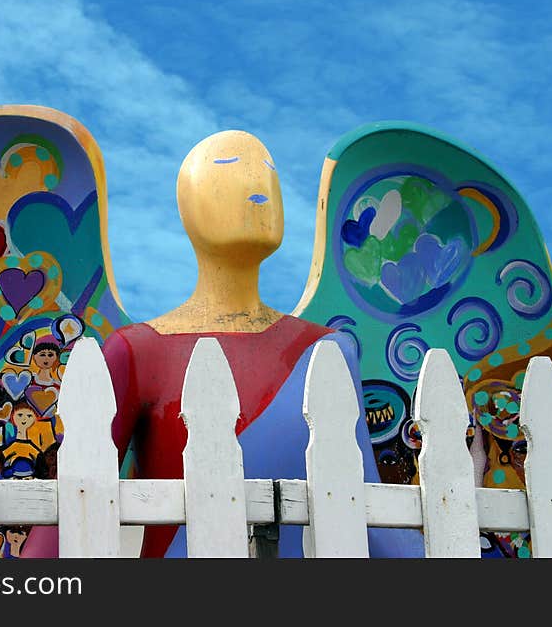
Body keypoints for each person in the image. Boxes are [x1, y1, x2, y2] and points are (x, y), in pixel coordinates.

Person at [23, 130, 424, 558]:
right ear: (187, 206)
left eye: (269, 174)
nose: (258, 189)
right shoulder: (136, 351)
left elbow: (365, 504)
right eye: (229, 170)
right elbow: (72, 505)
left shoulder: (328, 351)